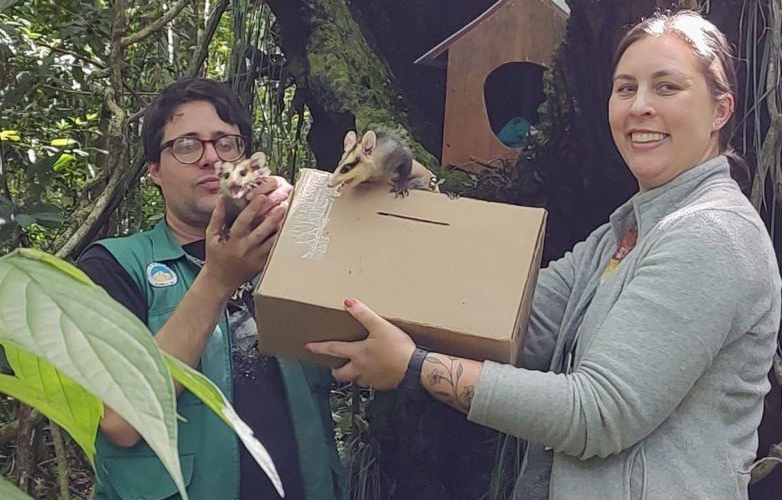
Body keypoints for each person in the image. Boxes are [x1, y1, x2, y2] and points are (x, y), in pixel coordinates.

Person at [307, 10, 782, 499]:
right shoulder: (620, 235)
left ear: (721, 110)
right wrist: (416, 196)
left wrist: (414, 367)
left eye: (666, 87)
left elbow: (597, 414)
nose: (639, 106)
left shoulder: (710, 233)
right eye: (625, 88)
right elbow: (510, 318)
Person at [76, 77, 345, 499]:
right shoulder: (113, 266)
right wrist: (219, 278)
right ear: (154, 172)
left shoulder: (291, 256)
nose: (210, 159)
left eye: (226, 143)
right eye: (186, 145)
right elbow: (121, 421)